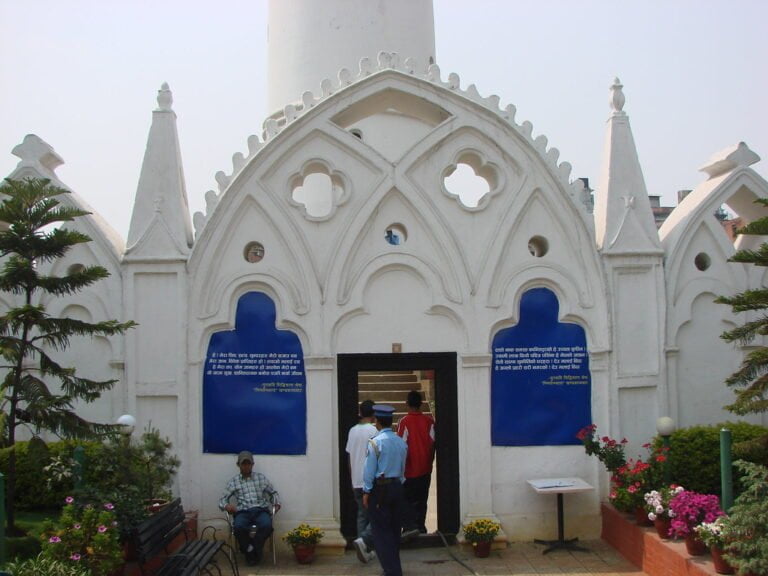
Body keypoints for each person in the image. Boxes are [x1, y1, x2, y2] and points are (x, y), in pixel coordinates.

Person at [363, 404, 408, 576]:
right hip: (397, 486)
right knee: (395, 529)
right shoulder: (400, 442)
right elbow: (403, 468)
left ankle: (391, 570)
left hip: (380, 490)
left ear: (377, 422)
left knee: (381, 531)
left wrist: (367, 491)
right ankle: (393, 566)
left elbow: (369, 471)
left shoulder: (375, 443)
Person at [218, 450, 281, 566]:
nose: (246, 466)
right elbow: (222, 500)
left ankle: (250, 549)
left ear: (253, 464)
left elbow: (273, 493)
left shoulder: (261, 478)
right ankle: (253, 552)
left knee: (267, 525)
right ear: (238, 465)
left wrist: (276, 503)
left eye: (248, 463)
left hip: (260, 510)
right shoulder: (233, 482)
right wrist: (226, 506)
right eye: (243, 464)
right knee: (238, 526)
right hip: (243, 512)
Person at [397, 389, 435, 536]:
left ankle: (409, 527)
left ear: (407, 404)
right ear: (421, 404)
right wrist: (430, 461)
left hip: (409, 470)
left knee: (407, 500)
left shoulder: (404, 422)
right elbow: (432, 444)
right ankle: (420, 526)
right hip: (425, 468)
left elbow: (402, 446)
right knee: (422, 499)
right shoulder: (429, 421)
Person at [346, 399, 377, 563]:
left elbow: (350, 456)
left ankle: (363, 546)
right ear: (373, 414)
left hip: (356, 480)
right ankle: (365, 543)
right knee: (377, 515)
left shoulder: (352, 431)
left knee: (361, 515)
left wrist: (352, 478)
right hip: (370, 480)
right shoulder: (374, 431)